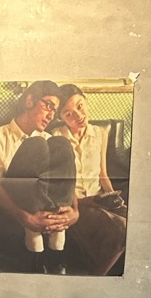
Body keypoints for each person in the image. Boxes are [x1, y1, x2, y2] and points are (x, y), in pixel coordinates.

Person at [0, 81, 77, 272]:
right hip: (14, 213)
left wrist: (75, 211)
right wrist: (25, 218)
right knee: (36, 145)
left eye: (55, 111)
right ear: (30, 100)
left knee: (62, 144)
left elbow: (65, 181)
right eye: (48, 106)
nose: (51, 115)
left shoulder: (51, 140)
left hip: (48, 212)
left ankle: (57, 250)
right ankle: (34, 248)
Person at [51, 84, 128, 276]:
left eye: (80, 106)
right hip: (77, 203)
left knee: (137, 222)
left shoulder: (100, 133)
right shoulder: (56, 137)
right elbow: (59, 183)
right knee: (122, 228)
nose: (78, 116)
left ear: (85, 100)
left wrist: (115, 198)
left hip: (100, 199)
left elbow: (103, 173)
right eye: (68, 114)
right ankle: (96, 277)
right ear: (61, 118)